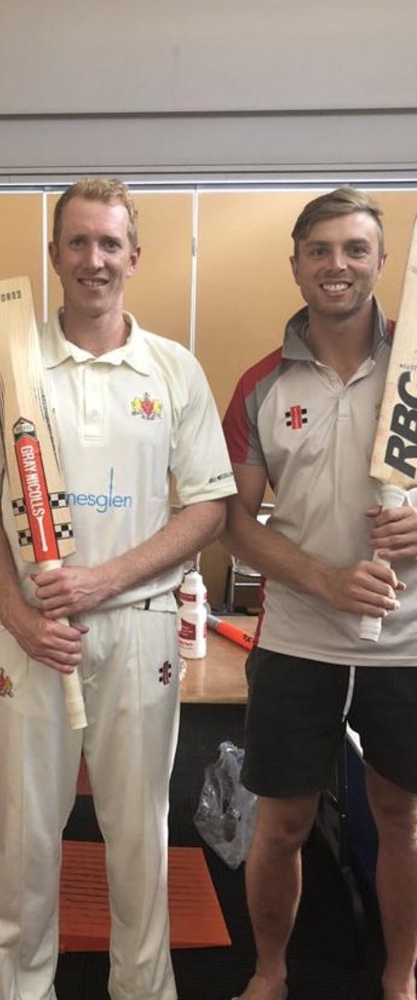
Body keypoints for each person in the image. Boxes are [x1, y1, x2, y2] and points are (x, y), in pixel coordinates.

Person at [0, 177, 236, 1000]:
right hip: (31, 636)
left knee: (140, 835)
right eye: (77, 242)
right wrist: (16, 611)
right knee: (29, 838)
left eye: (109, 243)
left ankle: (142, 991)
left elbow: (211, 506)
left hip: (138, 626)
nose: (93, 259)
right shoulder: (6, 363)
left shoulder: (173, 369)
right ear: (53, 255)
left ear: (135, 257)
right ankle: (23, 989)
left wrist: (104, 577)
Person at [221, 188, 417, 1000]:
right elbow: (234, 522)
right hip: (298, 636)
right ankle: (271, 971)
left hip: (407, 642)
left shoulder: (413, 365)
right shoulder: (260, 385)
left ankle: (402, 974)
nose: (338, 264)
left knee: (402, 821)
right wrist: (327, 580)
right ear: (297, 263)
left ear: (379, 259)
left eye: (356, 248)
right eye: (320, 250)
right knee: (283, 825)